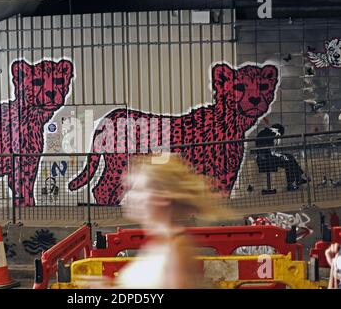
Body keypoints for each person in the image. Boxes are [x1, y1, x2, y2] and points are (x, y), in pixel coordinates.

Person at [112, 153, 232, 289]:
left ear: (162, 197)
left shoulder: (176, 249)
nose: (128, 197)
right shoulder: (158, 244)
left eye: (139, 190)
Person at [255, 123, 308, 191]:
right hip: (268, 159)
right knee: (289, 161)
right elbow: (272, 151)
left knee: (289, 157)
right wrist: (282, 156)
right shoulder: (276, 134)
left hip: (260, 159)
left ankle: (298, 178)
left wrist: (281, 155)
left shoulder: (262, 132)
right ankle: (291, 184)